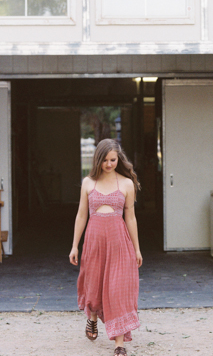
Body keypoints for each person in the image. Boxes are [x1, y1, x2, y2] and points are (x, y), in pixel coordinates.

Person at [69, 138, 142, 356]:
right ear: (98, 159)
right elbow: (82, 215)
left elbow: (131, 218)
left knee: (117, 289)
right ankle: (92, 318)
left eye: (113, 159)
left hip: (119, 242)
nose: (109, 164)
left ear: (118, 159)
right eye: (105, 160)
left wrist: (137, 249)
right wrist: (75, 245)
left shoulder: (127, 184)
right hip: (94, 241)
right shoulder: (88, 183)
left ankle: (119, 343)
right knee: (94, 284)